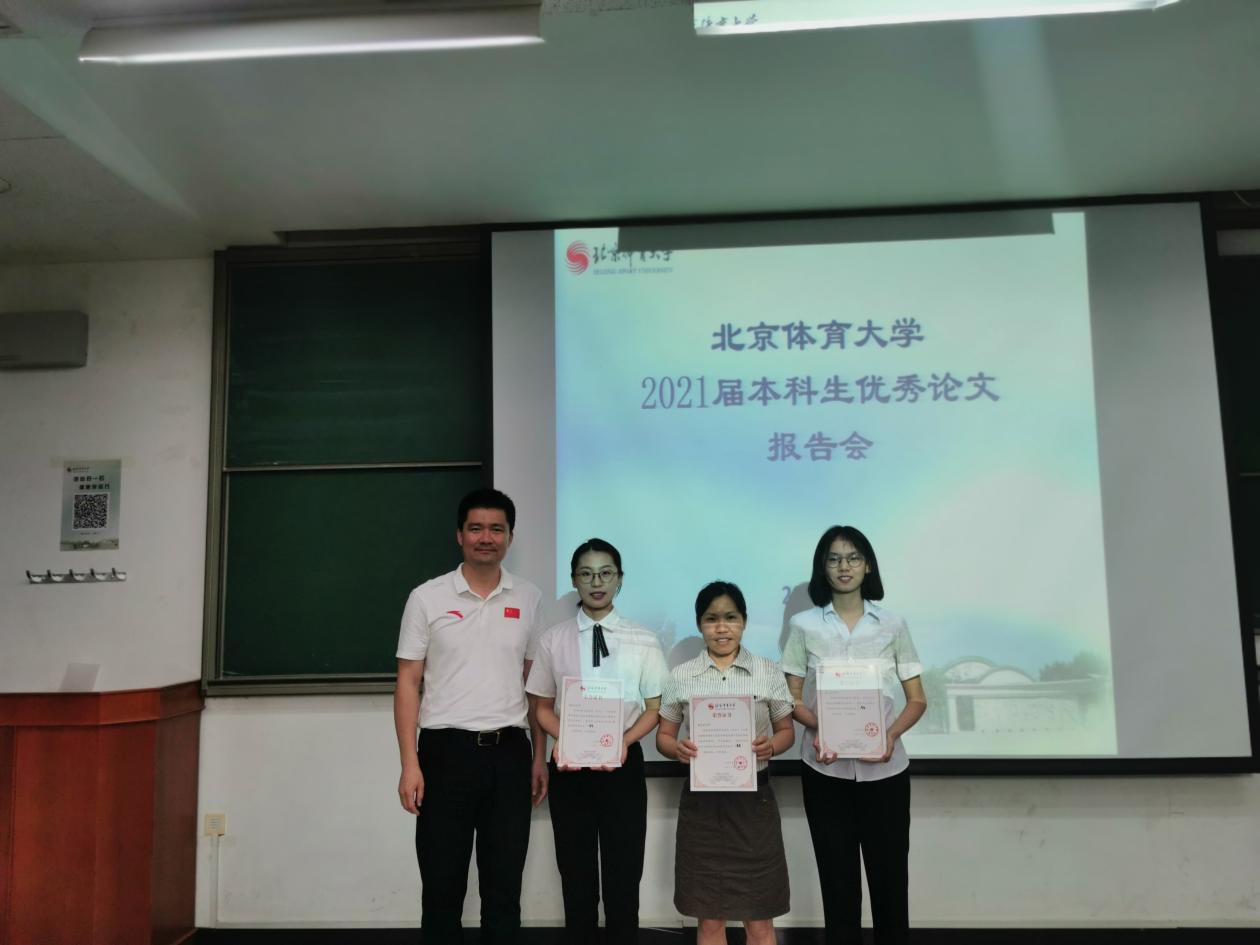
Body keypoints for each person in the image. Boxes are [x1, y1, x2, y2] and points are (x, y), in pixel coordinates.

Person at [393, 488, 548, 945]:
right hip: (445, 754)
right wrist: (409, 763)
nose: (486, 538)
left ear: (510, 537)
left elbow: (535, 686)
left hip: (509, 754)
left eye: (496, 529)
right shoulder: (427, 597)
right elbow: (407, 682)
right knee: (442, 886)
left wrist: (539, 756)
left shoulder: (530, 598)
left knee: (504, 889)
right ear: (459, 535)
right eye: (476, 528)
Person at [782, 525, 927, 945]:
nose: (843, 566)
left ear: (868, 566)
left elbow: (917, 699)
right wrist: (821, 727)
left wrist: (890, 735)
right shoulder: (803, 625)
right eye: (834, 558)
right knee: (838, 885)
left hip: (885, 773)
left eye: (853, 558)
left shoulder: (892, 624)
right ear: (822, 567)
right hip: (824, 772)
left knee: (890, 884)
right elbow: (790, 698)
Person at [526, 538, 668, 945]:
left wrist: (624, 740)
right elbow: (541, 707)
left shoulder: (643, 639)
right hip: (570, 769)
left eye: (606, 573)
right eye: (586, 574)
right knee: (576, 877)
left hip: (623, 765)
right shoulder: (553, 639)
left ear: (620, 579)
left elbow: (655, 707)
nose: (596, 582)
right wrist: (568, 736)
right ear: (574, 580)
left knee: (624, 875)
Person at [656, 581, 795, 945]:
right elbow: (663, 736)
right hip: (702, 806)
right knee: (709, 921)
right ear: (699, 624)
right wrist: (676, 749)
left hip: (754, 805)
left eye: (730, 618)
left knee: (760, 922)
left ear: (743, 622)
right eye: (711, 619)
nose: (722, 627)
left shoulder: (768, 671)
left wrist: (772, 746)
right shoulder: (681, 675)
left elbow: (786, 731)